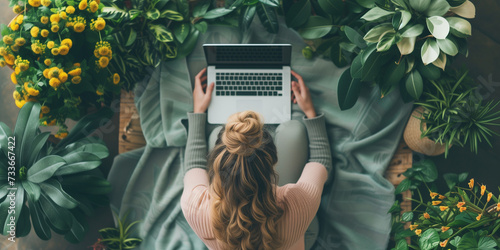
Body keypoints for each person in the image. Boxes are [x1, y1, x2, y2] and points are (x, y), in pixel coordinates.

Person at [181, 68, 332, 249]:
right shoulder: (298, 205)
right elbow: (321, 161)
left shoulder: (196, 208)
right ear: (273, 162)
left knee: (214, 135)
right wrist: (309, 111)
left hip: (228, 230)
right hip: (300, 229)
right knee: (293, 131)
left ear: (218, 162)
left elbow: (194, 166)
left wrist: (198, 111)